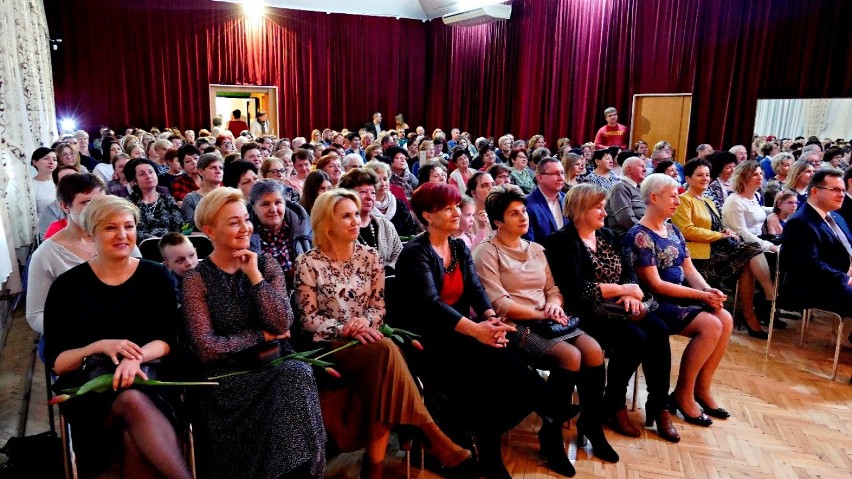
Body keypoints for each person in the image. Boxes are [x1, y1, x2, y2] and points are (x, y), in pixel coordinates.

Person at [395, 182, 577, 479]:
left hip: (460, 331)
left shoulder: (456, 246)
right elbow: (430, 306)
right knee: (492, 371)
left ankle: (502, 446)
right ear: (427, 216)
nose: (457, 213)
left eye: (457, 206)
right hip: (428, 340)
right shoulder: (416, 252)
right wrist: (477, 330)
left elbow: (476, 289)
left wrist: (491, 318)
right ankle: (546, 406)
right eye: (448, 208)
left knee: (501, 360)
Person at [293, 188, 473, 479]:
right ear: (327, 223)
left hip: (370, 339)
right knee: (387, 350)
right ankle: (431, 436)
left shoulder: (370, 257)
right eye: (346, 216)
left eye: (355, 215)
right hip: (331, 345)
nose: (355, 221)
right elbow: (308, 320)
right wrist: (345, 328)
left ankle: (373, 468)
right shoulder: (308, 263)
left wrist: (364, 323)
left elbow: (378, 308)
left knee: (383, 369)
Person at [43, 195, 192, 479]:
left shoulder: (156, 275)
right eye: (110, 227)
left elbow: (168, 339)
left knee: (133, 429)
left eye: (128, 226)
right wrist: (98, 345)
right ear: (90, 232)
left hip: (151, 378)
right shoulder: (67, 287)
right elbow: (58, 362)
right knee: (132, 401)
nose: (122, 235)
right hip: (92, 392)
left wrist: (135, 359)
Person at [182, 188, 326, 479]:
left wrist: (255, 277)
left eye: (246, 219)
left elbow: (283, 323)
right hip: (227, 381)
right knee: (293, 376)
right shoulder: (196, 279)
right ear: (209, 231)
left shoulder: (265, 264)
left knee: (295, 373)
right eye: (233, 222)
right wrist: (261, 337)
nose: (245, 227)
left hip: (272, 365)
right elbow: (206, 348)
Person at [473, 184, 621, 459]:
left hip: (548, 319)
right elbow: (499, 303)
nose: (523, 217)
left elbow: (553, 290)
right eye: (514, 214)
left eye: (524, 211)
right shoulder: (487, 252)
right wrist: (541, 313)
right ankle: (550, 433)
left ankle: (591, 423)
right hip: (514, 324)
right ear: (497, 222)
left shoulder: (537, 249)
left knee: (593, 350)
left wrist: (553, 306)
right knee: (571, 355)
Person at [543, 184, 678, 443]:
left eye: (604, 206)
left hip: (617, 307)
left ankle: (659, 405)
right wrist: (622, 289)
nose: (605, 213)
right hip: (584, 313)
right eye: (598, 207)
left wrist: (628, 293)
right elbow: (576, 290)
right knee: (634, 338)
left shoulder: (607, 235)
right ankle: (614, 404)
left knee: (658, 329)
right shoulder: (560, 241)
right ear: (580, 210)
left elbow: (628, 270)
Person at [624, 174, 733, 428]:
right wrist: (700, 295)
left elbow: (689, 268)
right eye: (672, 196)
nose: (677, 200)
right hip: (655, 304)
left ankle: (701, 389)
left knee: (724, 318)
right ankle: (683, 394)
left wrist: (709, 290)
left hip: (681, 296)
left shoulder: (672, 229)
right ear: (653, 198)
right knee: (711, 325)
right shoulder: (640, 235)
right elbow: (655, 284)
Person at [672, 159, 771, 339]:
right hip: (698, 256)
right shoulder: (683, 200)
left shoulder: (708, 201)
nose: (705, 178)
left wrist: (724, 231)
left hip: (715, 250)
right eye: (699, 175)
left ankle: (750, 311)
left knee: (749, 256)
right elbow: (686, 231)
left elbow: (715, 226)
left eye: (707, 175)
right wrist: (720, 235)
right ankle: (762, 301)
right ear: (687, 178)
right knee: (751, 249)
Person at [27, 174, 105, 334]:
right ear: (64, 206)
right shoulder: (46, 254)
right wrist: (77, 330)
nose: (96, 209)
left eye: (101, 201)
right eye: (86, 202)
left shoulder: (117, 238)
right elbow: (35, 315)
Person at [780, 169, 852, 318]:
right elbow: (809, 265)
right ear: (814, 192)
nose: (841, 194)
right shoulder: (800, 222)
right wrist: (846, 278)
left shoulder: (837, 217)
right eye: (835, 190)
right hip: (815, 285)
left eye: (843, 190)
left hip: (840, 275)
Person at [247, 180, 311, 286]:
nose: (273, 209)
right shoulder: (245, 234)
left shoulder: (304, 228)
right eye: (265, 204)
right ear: (254, 208)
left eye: (278, 202)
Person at [339, 169, 402, 271]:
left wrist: (387, 270)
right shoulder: (341, 228)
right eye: (363, 192)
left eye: (373, 193)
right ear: (348, 196)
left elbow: (400, 255)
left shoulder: (386, 225)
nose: (370, 197)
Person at [125, 158, 184, 241]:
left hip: (169, 246)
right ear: (135, 181)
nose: (148, 176)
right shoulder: (128, 204)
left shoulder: (167, 200)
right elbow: (128, 230)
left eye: (151, 172)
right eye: (142, 174)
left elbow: (180, 227)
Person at [363, 160, 422, 237]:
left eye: (385, 179)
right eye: (377, 180)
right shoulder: (364, 206)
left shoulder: (399, 204)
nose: (383, 183)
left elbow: (410, 232)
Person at [524, 157, 566, 243]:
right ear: (540, 178)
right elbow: (530, 243)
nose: (561, 178)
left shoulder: (568, 200)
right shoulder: (527, 205)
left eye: (562, 173)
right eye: (556, 173)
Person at [180, 153, 224, 231]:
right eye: (213, 168)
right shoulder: (191, 199)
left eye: (220, 168)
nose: (218, 171)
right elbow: (186, 229)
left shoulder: (231, 195)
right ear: (200, 171)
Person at [605, 156, 647, 237]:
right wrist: (648, 232)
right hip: (627, 235)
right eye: (641, 166)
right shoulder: (620, 187)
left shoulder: (639, 188)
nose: (645, 170)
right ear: (629, 169)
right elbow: (625, 219)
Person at [158, 232, 199, 301]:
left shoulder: (213, 276)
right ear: (167, 265)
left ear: (196, 252)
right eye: (180, 260)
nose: (189, 263)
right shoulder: (163, 288)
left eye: (191, 255)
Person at [466, 171, 496, 246]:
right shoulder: (468, 218)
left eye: (493, 184)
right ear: (473, 193)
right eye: (485, 186)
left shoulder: (499, 212)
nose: (491, 188)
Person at [31, 147, 58, 217]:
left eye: (54, 159)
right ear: (35, 162)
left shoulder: (61, 181)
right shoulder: (31, 185)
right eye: (46, 158)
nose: (51, 162)